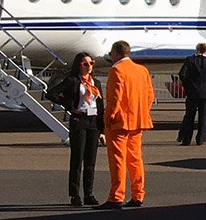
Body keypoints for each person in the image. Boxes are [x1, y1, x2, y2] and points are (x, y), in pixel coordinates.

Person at [99, 41, 154, 209]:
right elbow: (149, 95)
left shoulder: (117, 70)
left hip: (120, 122)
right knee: (135, 159)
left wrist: (107, 119)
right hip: (138, 120)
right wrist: (142, 111)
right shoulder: (141, 70)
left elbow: (114, 99)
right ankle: (138, 194)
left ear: (116, 53)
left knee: (118, 160)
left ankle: (116, 196)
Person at [54, 52, 103, 206]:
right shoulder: (73, 81)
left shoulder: (96, 83)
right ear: (78, 65)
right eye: (85, 64)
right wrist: (69, 106)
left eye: (91, 63)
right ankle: (75, 195)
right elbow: (52, 93)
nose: (89, 67)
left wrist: (102, 130)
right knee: (77, 159)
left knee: (91, 160)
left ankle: (89, 193)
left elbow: (101, 106)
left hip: (93, 121)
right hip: (79, 120)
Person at [176, 42, 206, 146]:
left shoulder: (190, 60)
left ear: (197, 49)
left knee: (189, 116)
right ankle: (201, 139)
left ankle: (186, 139)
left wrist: (187, 86)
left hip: (192, 92)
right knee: (204, 116)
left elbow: (182, 74)